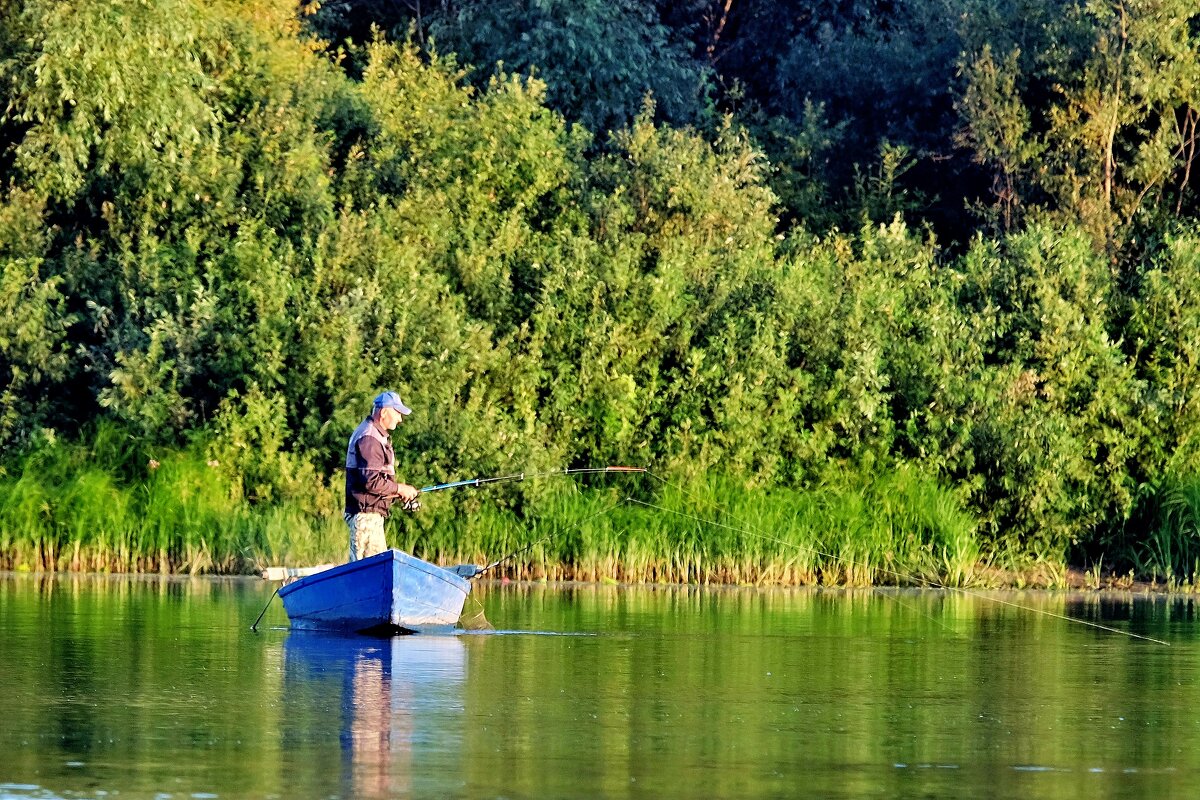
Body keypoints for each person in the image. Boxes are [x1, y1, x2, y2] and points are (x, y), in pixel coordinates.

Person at [344, 391, 421, 561]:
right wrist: (399, 488)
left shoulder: (372, 434)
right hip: (366, 517)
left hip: (368, 515)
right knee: (369, 574)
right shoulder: (370, 438)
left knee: (371, 572)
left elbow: (372, 482)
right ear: (384, 412)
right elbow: (370, 482)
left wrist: (396, 493)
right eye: (397, 413)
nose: (400, 419)